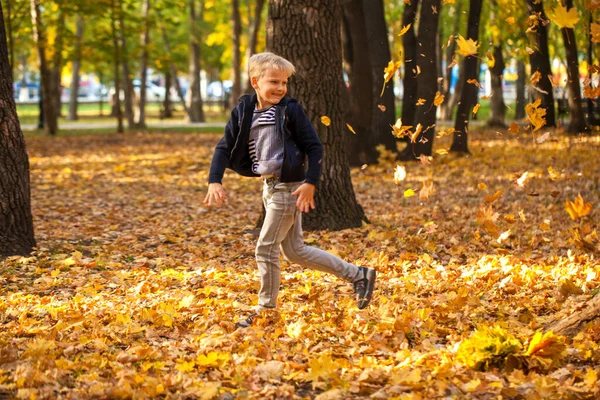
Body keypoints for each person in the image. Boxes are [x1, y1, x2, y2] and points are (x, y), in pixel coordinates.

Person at [203, 52, 376, 328]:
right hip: (270, 186)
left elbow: (315, 147)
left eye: (284, 82)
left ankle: (266, 311)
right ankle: (359, 275)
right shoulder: (243, 111)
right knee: (295, 250)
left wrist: (310, 183)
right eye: (274, 82)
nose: (281, 88)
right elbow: (224, 147)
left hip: (289, 188)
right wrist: (215, 179)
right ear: (255, 81)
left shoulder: (289, 110)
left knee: (265, 248)